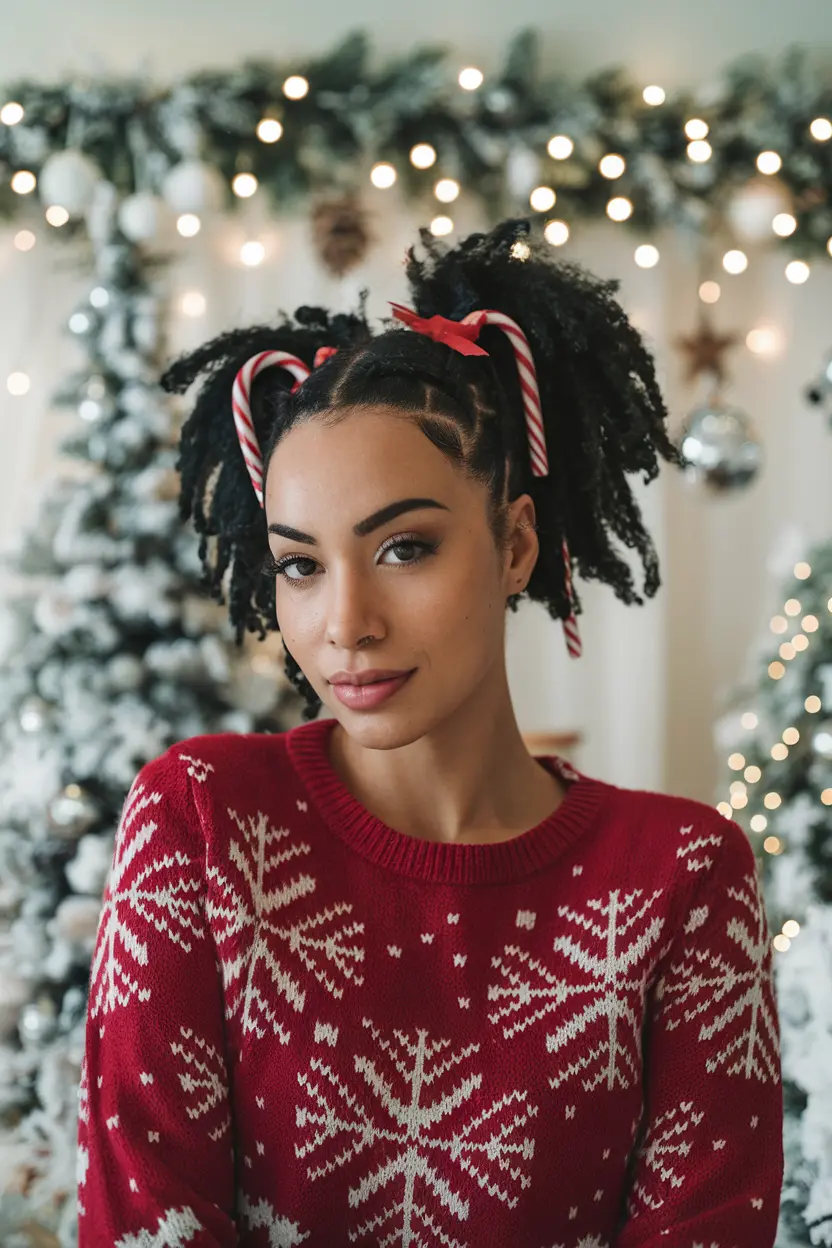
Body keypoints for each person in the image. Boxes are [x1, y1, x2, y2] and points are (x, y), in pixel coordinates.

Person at [77, 219, 783, 1247]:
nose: (344, 625)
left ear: (514, 544)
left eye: (403, 548)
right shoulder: (200, 818)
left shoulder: (682, 876)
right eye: (302, 565)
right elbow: (145, 1218)